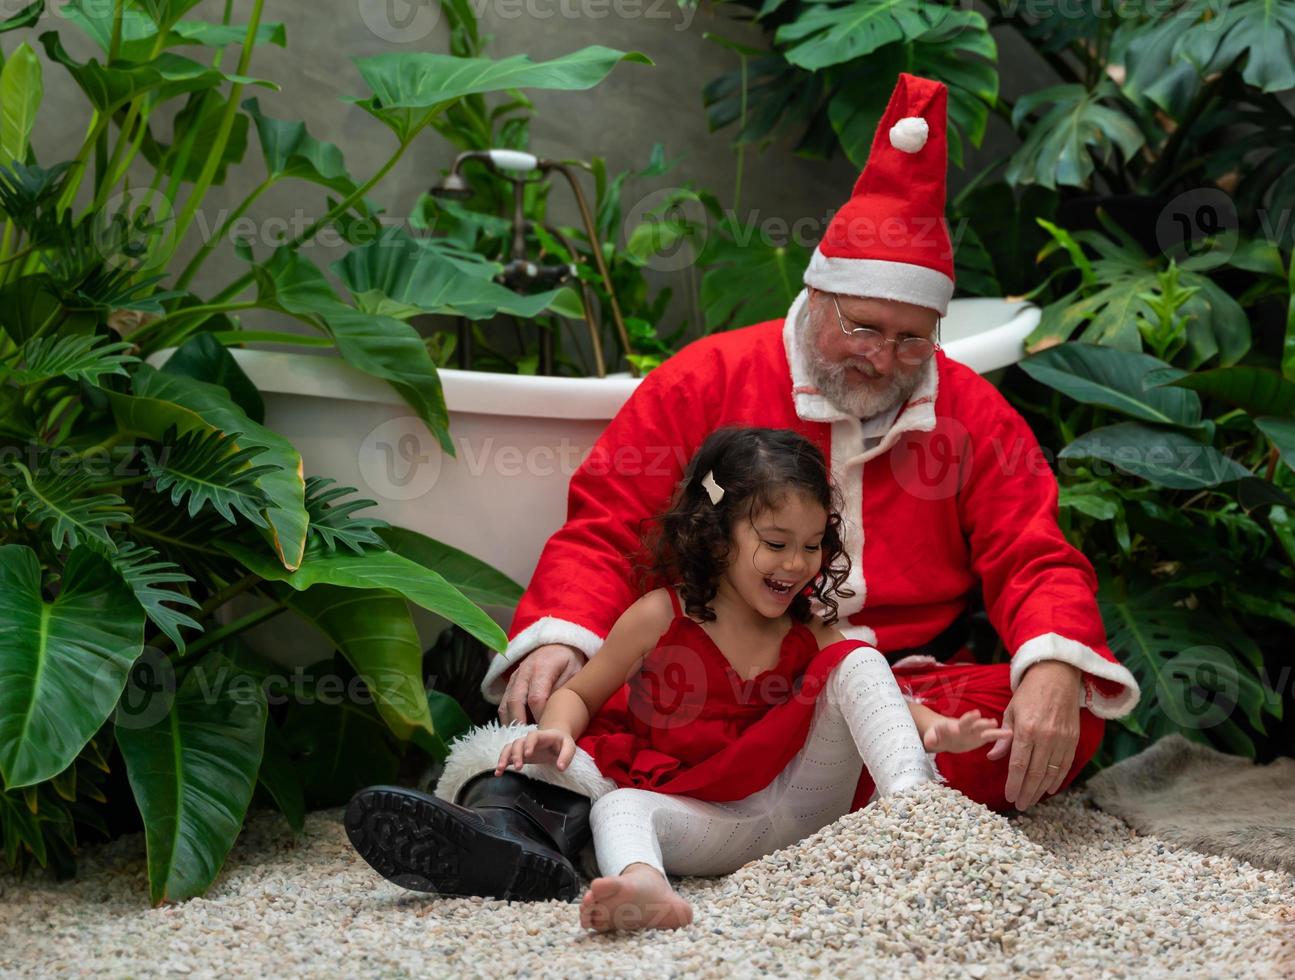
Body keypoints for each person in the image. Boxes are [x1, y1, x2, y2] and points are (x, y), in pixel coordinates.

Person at [346, 72, 1140, 903]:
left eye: (912, 340)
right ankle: (516, 820)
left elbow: (1033, 553)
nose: (882, 357)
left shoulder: (968, 408)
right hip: (708, 685)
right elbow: (607, 527)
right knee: (571, 694)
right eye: (862, 326)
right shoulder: (705, 377)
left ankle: (591, 818)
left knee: (1048, 712)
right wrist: (564, 636)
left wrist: (1049, 664)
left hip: (878, 685)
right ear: (816, 293)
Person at [493, 427, 1013, 931]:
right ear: (716, 536)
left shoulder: (808, 628)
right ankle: (647, 885)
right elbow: (581, 693)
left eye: (812, 546)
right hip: (705, 821)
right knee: (617, 806)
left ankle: (913, 813)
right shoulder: (658, 616)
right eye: (776, 542)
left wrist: (931, 727)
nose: (796, 562)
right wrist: (559, 731)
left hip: (810, 805)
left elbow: (876, 694)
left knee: (858, 658)